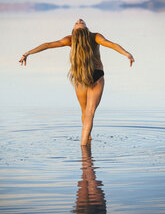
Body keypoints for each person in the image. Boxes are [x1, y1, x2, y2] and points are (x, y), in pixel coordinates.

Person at [19, 18, 135, 146]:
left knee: (85, 111)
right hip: (96, 75)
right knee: (89, 113)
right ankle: (85, 144)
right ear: (85, 29)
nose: (79, 20)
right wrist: (127, 54)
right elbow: (111, 44)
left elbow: (48, 45)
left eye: (78, 22)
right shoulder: (95, 36)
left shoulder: (70, 39)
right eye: (78, 23)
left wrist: (27, 53)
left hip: (80, 77)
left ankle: (85, 143)